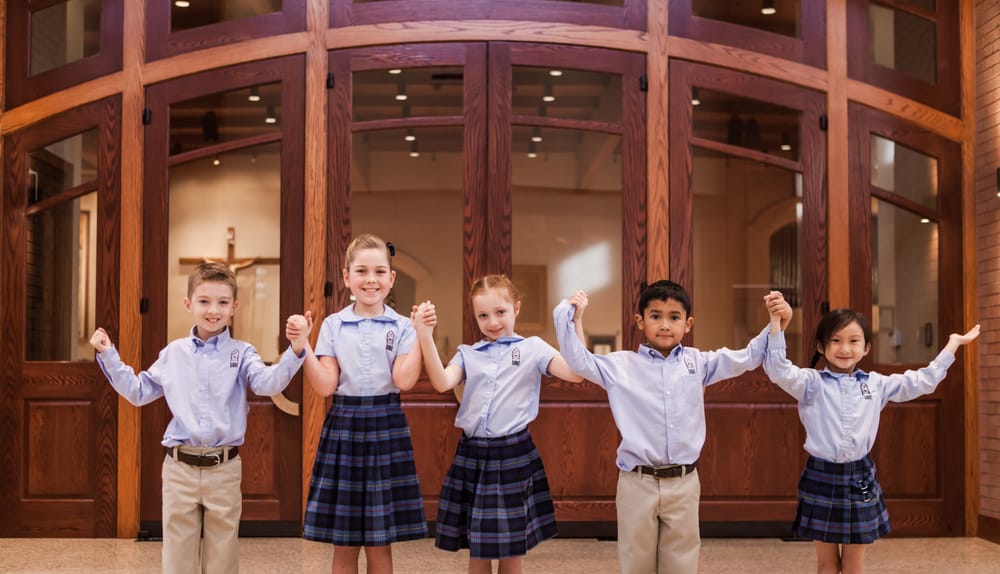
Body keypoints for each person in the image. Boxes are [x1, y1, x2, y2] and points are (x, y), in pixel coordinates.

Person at [552, 280, 791, 574]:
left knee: (681, 563)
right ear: (640, 321)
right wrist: (571, 315)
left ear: (688, 324)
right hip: (636, 483)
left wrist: (777, 322)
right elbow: (579, 361)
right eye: (655, 316)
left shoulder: (699, 363)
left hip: (684, 483)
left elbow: (749, 356)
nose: (665, 325)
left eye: (674, 317)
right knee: (636, 562)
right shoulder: (620, 366)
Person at [90, 261, 312, 574]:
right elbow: (139, 392)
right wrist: (108, 355)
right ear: (189, 304)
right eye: (204, 301)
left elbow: (268, 383)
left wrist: (297, 349)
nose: (213, 310)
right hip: (180, 467)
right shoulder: (173, 353)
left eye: (223, 302)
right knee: (178, 557)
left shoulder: (242, 352)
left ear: (234, 306)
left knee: (223, 555)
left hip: (224, 469)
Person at [762, 293, 980, 574]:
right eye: (836, 340)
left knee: (854, 566)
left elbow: (923, 382)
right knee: (826, 565)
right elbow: (778, 369)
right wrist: (777, 324)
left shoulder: (876, 384)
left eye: (854, 341)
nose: (845, 348)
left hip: (860, 477)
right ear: (821, 346)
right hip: (821, 476)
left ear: (866, 348)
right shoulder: (810, 383)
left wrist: (952, 345)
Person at [411, 274, 582, 574]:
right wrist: (425, 336)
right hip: (473, 457)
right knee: (478, 549)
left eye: (500, 312)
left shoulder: (534, 348)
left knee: (510, 549)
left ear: (516, 308)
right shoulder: (468, 353)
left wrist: (575, 322)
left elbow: (577, 373)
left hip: (513, 455)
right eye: (483, 315)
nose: (492, 322)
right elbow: (441, 382)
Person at [300, 233, 427, 574]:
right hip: (345, 425)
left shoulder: (403, 327)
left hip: (387, 425)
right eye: (361, 271)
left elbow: (403, 381)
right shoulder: (332, 325)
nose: (371, 279)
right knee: (343, 542)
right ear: (346, 277)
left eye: (379, 272)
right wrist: (302, 348)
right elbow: (326, 385)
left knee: (379, 541)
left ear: (391, 278)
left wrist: (420, 334)